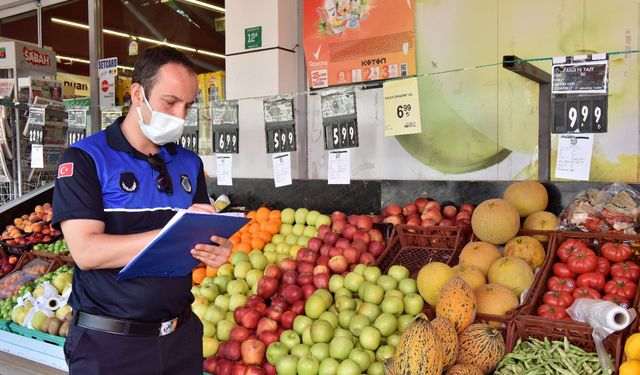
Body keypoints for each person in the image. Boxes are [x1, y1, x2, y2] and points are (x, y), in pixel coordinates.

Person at [52, 45, 231, 374]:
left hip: (181, 338)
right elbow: (87, 251)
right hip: (110, 347)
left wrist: (216, 247)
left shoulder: (189, 164)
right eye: (170, 102)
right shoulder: (85, 160)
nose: (179, 116)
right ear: (138, 94)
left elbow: (198, 237)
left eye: (187, 106)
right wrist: (170, 232)